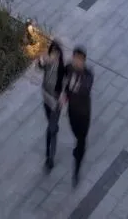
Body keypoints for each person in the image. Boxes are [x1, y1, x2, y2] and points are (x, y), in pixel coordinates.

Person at [61, 46, 94, 184]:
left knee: (81, 141)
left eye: (80, 60)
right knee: (74, 131)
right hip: (72, 111)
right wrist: (64, 94)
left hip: (83, 113)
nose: (77, 62)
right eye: (75, 58)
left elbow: (84, 90)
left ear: (84, 61)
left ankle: (76, 171)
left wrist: (71, 89)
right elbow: (63, 78)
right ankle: (78, 147)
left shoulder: (88, 75)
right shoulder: (69, 68)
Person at [38, 40, 65, 171]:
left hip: (55, 103)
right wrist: (41, 61)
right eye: (52, 52)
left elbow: (66, 85)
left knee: (51, 130)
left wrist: (63, 95)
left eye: (56, 53)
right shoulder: (48, 64)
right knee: (51, 125)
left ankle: (50, 157)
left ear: (59, 54)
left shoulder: (62, 69)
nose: (54, 55)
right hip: (46, 99)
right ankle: (54, 127)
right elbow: (40, 66)